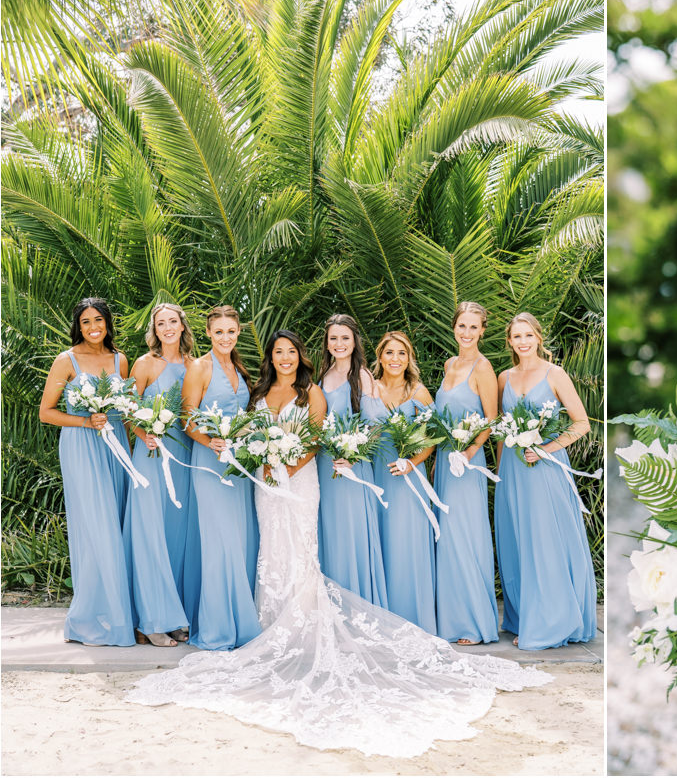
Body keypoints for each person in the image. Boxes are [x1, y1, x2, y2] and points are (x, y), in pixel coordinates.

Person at [127, 330, 551, 757]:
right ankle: (269, 619)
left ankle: (306, 613)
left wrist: (291, 465)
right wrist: (266, 459)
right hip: (264, 481)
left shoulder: (323, 388)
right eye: (279, 352)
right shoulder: (256, 391)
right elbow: (244, 431)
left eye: (292, 351)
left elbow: (319, 438)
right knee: (270, 546)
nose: (286, 357)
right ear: (272, 357)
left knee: (303, 544)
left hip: (303, 477)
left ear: (302, 355)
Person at [494, 313, 597, 649]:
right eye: (516, 337)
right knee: (518, 542)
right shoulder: (502, 377)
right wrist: (499, 470)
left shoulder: (556, 374)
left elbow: (581, 424)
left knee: (545, 541)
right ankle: (524, 615)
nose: (523, 342)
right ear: (509, 342)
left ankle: (550, 622)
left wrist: (545, 449)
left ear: (538, 337)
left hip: (545, 468)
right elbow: (499, 429)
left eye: (528, 335)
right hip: (512, 469)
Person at [38, 297, 134, 646]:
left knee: (119, 523)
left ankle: (124, 612)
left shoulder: (120, 359)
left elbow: (125, 409)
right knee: (96, 527)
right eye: (85, 322)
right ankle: (95, 618)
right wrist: (84, 420)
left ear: (108, 323)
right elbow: (46, 412)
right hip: (81, 447)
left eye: (99, 320)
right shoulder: (66, 361)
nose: (93, 327)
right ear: (77, 326)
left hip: (117, 445)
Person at [182, 305, 259, 650]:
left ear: (238, 332)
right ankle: (218, 629)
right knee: (220, 542)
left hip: (239, 466)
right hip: (211, 463)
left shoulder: (239, 367)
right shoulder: (200, 367)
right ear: (208, 334)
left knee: (241, 541)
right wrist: (209, 440)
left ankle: (243, 623)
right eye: (219, 332)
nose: (225, 337)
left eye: (231, 331)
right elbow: (188, 418)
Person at [123, 303, 195, 646]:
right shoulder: (145, 364)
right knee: (149, 533)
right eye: (161, 323)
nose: (167, 327)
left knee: (176, 538)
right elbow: (126, 410)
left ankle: (174, 616)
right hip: (150, 456)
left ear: (183, 326)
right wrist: (142, 434)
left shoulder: (196, 366)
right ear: (155, 329)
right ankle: (150, 621)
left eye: (173, 321)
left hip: (183, 457)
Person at [433, 301, 500, 645]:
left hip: (467, 463)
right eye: (462, 326)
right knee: (447, 536)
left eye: (474, 327)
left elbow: (491, 419)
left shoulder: (483, 368)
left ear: (483, 330)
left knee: (466, 536)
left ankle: (474, 623)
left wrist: (470, 451)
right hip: (444, 462)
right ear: (454, 327)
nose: (467, 333)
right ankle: (452, 619)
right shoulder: (449, 364)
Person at [315, 314, 388, 607]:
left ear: (355, 340)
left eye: (345, 337)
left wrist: (353, 454)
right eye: (333, 338)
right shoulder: (322, 376)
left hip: (352, 469)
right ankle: (331, 606)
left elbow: (376, 428)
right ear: (327, 342)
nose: (339, 343)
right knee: (329, 533)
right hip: (324, 466)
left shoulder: (363, 376)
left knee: (350, 533)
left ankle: (356, 606)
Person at [371, 331, 438, 634]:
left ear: (409, 358)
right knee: (379, 543)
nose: (395, 359)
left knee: (405, 543)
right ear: (380, 356)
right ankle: (381, 620)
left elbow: (433, 437)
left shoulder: (418, 391)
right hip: (374, 475)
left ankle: (412, 620)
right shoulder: (368, 389)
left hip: (408, 476)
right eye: (389, 353)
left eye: (402, 353)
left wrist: (413, 462)